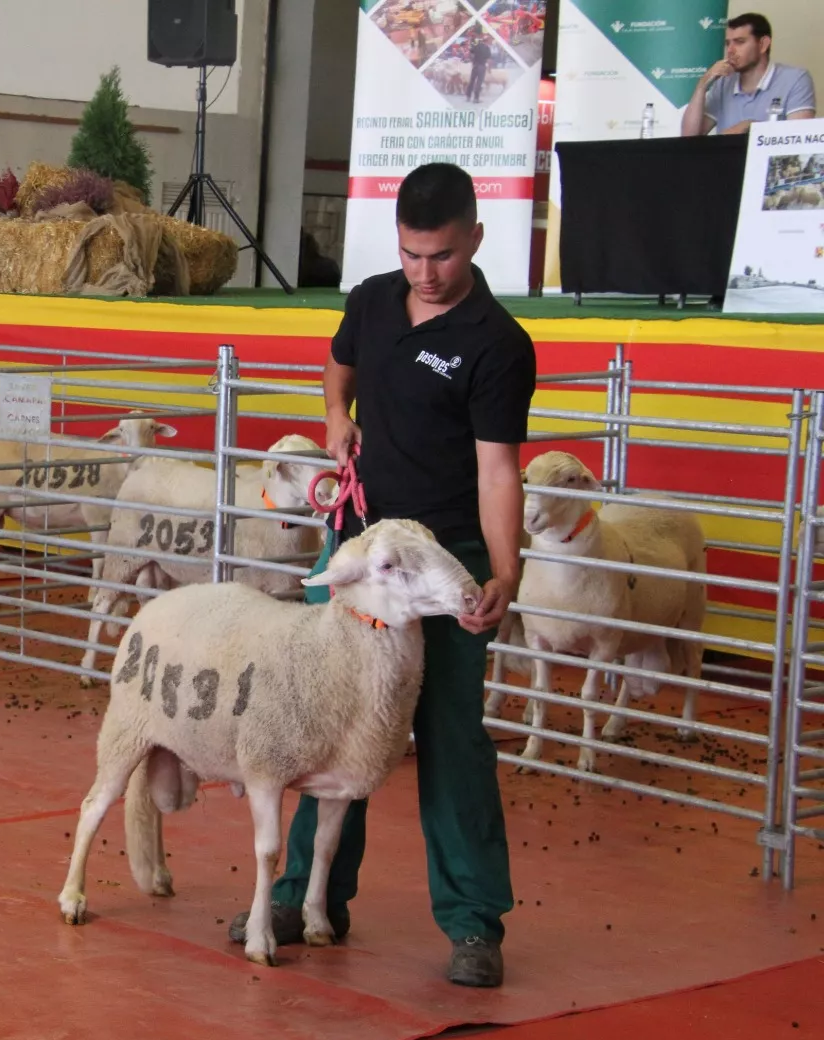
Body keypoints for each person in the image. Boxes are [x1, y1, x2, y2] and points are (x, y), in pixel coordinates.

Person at [227, 163, 533, 989]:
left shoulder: (496, 344)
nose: (425, 272)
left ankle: (474, 922)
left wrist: (504, 570)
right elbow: (339, 365)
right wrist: (335, 416)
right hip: (361, 551)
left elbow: (499, 470)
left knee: (448, 735)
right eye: (410, 254)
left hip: (443, 564)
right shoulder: (370, 298)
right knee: (327, 721)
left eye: (440, 255)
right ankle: (300, 894)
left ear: (474, 236)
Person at [683, 12, 816, 136]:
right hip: (728, 161)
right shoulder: (724, 83)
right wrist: (702, 85)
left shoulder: (795, 79)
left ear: (763, 44)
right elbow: (689, 137)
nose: (730, 50)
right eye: (727, 43)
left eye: (740, 42)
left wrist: (750, 128)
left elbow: (798, 139)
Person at [467, 33, 493, 105]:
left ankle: (468, 97)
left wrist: (473, 61)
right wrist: (489, 69)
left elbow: (470, 53)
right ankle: (476, 98)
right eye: (490, 40)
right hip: (481, 67)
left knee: (472, 81)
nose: (491, 42)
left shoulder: (477, 46)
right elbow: (489, 60)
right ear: (487, 41)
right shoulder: (487, 48)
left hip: (475, 66)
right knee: (479, 83)